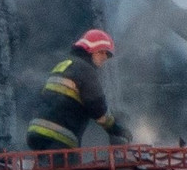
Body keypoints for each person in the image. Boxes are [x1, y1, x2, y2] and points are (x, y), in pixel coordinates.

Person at [26, 29, 133, 159]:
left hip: (35, 134)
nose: (103, 61)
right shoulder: (86, 70)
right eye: (102, 54)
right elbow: (97, 108)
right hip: (59, 137)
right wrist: (116, 129)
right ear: (94, 50)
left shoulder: (63, 65)